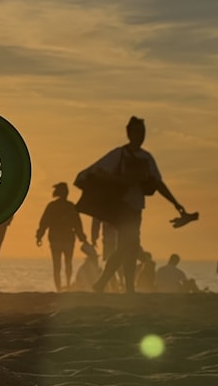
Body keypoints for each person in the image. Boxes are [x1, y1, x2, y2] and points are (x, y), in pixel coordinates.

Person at [81, 116, 190, 294]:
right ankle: (119, 286)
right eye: (138, 132)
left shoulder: (146, 158)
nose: (141, 136)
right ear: (129, 133)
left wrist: (176, 204)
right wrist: (118, 180)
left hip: (136, 208)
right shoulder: (119, 154)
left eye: (143, 133)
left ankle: (107, 284)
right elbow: (98, 171)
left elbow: (157, 183)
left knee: (128, 247)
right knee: (128, 245)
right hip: (122, 208)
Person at [35, 182, 88, 291]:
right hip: (68, 239)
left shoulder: (52, 206)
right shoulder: (71, 206)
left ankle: (59, 288)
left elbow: (44, 222)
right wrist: (82, 238)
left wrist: (39, 236)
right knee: (68, 263)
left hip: (55, 239)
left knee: (57, 265)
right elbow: (77, 225)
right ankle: (67, 285)